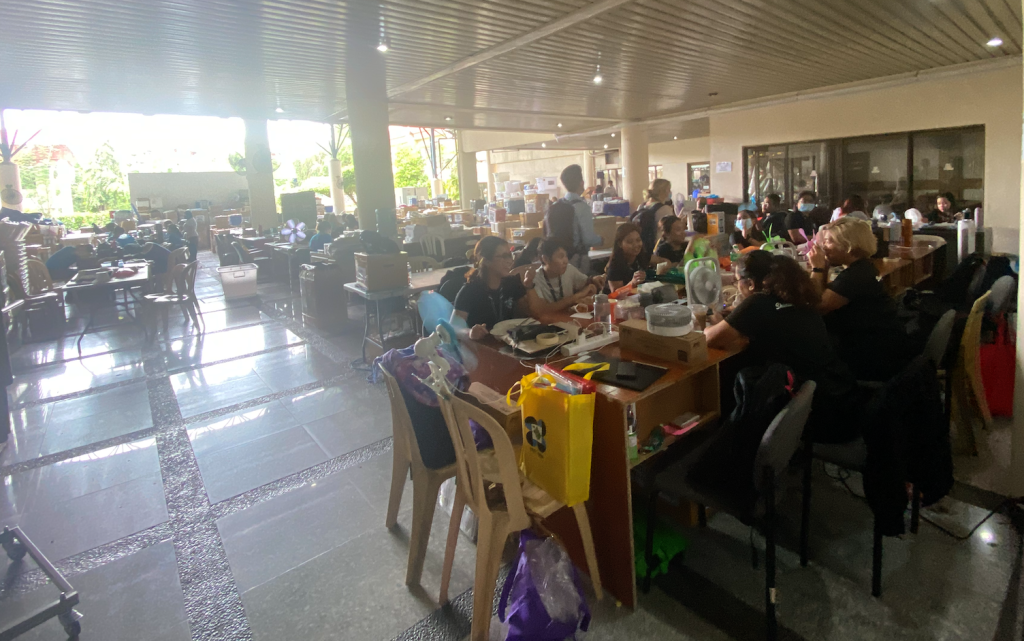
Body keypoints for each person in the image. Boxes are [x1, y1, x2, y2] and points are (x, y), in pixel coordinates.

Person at [704, 251, 860, 443]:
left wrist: (714, 319)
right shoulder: (800, 296)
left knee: (732, 370)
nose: (738, 286)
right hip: (839, 398)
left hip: (816, 415)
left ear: (751, 283)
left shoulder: (757, 302)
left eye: (738, 281)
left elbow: (711, 339)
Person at [808, 217, 907, 381]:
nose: (824, 247)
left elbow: (817, 307)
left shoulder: (854, 277)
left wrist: (817, 269)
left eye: (829, 241)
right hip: (883, 344)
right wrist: (824, 269)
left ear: (849, 246)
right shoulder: (864, 268)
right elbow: (823, 296)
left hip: (870, 356)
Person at [454, 236, 563, 339]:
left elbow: (532, 313)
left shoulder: (511, 283)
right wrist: (470, 332)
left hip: (509, 341)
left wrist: (529, 285)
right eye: (503, 256)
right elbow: (454, 327)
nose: (510, 260)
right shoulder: (470, 290)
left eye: (510, 255)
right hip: (483, 345)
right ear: (486, 260)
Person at [533, 238, 605, 309]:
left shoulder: (569, 269)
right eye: (561, 257)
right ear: (545, 259)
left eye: (566, 256)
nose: (566, 261)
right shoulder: (535, 280)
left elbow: (587, 283)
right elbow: (544, 310)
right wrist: (577, 296)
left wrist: (594, 280)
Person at [559, 164, 603, 273]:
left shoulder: (557, 205)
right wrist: (601, 240)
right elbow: (588, 239)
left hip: (557, 260)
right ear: (581, 183)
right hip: (577, 260)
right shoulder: (582, 207)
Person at [603, 223, 666, 293]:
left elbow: (664, 261)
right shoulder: (615, 265)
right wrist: (632, 283)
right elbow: (615, 294)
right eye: (630, 242)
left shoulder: (641, 256)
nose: (636, 245)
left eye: (638, 240)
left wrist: (662, 267)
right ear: (620, 244)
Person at [631, 178, 673, 254]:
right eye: (668, 189)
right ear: (662, 191)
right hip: (658, 248)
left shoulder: (642, 206)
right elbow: (670, 230)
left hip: (643, 247)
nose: (670, 192)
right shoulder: (664, 209)